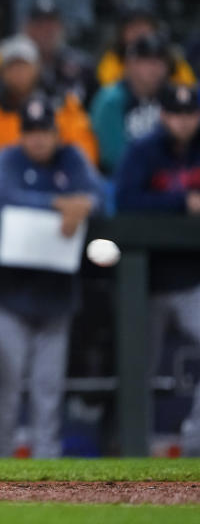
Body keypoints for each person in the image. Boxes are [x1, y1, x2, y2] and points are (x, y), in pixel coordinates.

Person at [0, 98, 102, 458]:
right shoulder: (9, 157)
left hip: (56, 292)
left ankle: (46, 460)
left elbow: (100, 196)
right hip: (10, 290)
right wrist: (59, 204)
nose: (37, 140)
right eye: (31, 133)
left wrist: (86, 205)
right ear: (22, 136)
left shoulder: (73, 157)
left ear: (56, 133)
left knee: (48, 387)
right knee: (7, 385)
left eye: (44, 132)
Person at [115, 84, 200, 455]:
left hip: (192, 280)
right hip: (145, 285)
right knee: (138, 371)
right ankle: (134, 448)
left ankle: (196, 442)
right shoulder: (143, 150)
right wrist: (182, 201)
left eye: (190, 114)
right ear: (163, 116)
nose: (183, 122)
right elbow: (125, 201)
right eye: (175, 114)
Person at [0, 34, 97, 166]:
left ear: (37, 67)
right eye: (12, 66)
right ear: (2, 71)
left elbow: (85, 153)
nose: (18, 72)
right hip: (10, 176)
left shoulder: (62, 102)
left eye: (24, 65)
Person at [90, 34, 175, 174]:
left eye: (160, 61)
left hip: (171, 177)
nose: (155, 68)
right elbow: (113, 157)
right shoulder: (110, 100)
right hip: (122, 180)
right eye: (146, 62)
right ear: (129, 64)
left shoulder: (174, 97)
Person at [22, 0, 97, 106]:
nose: (45, 31)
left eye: (51, 24)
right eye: (39, 24)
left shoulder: (82, 67)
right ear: (27, 28)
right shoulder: (18, 66)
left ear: (61, 27)